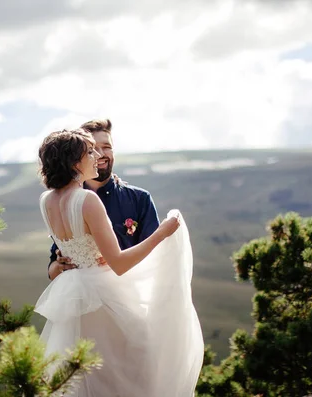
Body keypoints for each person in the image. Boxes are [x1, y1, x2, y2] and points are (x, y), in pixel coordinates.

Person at [34, 128, 204, 396]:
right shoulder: (87, 200)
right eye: (89, 152)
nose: (97, 156)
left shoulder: (47, 201)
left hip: (74, 297)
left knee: (83, 377)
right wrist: (162, 233)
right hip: (105, 296)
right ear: (73, 162)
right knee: (133, 369)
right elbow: (119, 264)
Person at [47, 119, 160, 280]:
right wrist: (60, 265)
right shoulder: (67, 203)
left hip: (130, 293)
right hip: (83, 296)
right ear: (77, 156)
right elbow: (52, 270)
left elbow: (156, 258)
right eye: (92, 149)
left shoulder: (140, 199)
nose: (100, 154)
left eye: (107, 147)